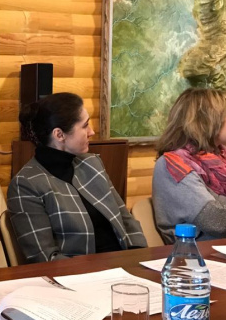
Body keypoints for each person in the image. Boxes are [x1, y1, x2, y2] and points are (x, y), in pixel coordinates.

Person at [8, 92, 147, 263]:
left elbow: (126, 220)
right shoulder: (26, 184)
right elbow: (44, 257)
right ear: (59, 135)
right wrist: (98, 272)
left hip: (123, 266)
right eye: (85, 125)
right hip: (80, 274)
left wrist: (139, 258)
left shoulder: (92, 163)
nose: (92, 132)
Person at [152, 87, 226, 243]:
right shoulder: (172, 165)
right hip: (196, 252)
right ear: (208, 120)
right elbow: (217, 221)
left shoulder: (224, 160)